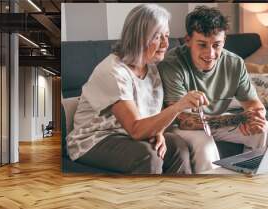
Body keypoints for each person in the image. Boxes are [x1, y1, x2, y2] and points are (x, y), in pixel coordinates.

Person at [66, 4, 208, 174]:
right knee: (148, 155)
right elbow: (135, 129)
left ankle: (177, 198)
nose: (165, 44)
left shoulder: (152, 67)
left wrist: (159, 131)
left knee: (178, 146)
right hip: (95, 139)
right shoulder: (113, 72)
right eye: (157, 37)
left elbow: (153, 114)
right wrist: (178, 106)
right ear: (138, 37)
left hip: (126, 134)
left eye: (167, 36)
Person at [158, 6, 268, 173]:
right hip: (180, 126)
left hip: (214, 119)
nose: (210, 53)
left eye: (216, 45)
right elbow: (184, 120)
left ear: (224, 41)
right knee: (205, 146)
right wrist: (239, 119)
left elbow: (254, 104)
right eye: (202, 45)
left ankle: (251, 183)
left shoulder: (234, 63)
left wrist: (256, 116)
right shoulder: (172, 64)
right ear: (188, 40)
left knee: (266, 130)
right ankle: (210, 194)